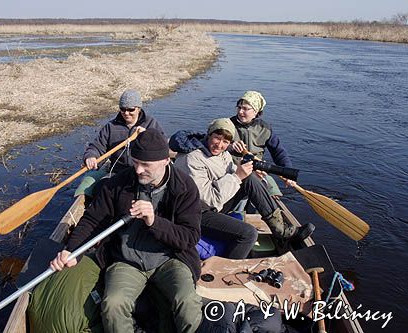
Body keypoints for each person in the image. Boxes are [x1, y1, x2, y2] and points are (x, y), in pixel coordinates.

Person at [51, 128, 203, 333]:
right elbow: (91, 220)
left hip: (170, 259)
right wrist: (71, 250)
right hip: (126, 261)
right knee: (113, 305)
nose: (138, 170)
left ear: (166, 161)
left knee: (188, 303)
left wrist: (154, 221)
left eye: (146, 165)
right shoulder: (117, 184)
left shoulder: (185, 187)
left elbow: (189, 237)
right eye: (135, 161)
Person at [172, 118, 314, 254]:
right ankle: (226, 265)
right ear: (209, 135)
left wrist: (244, 172)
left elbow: (229, 174)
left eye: (225, 141)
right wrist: (237, 176)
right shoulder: (192, 158)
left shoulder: (223, 153)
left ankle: (281, 230)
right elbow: (208, 199)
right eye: (217, 138)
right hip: (196, 212)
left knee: (250, 178)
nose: (220, 145)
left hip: (214, 204)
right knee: (249, 234)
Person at [74, 89, 164, 197]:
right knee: (101, 189)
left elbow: (162, 147)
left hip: (142, 173)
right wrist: (91, 156)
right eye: (122, 109)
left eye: (131, 109)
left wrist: (148, 136)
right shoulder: (111, 127)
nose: (126, 113)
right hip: (118, 172)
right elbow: (98, 146)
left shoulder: (151, 124)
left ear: (139, 109)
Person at [229, 90, 294, 191]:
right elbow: (210, 143)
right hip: (233, 170)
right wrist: (230, 146)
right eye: (239, 107)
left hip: (257, 170)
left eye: (245, 109)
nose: (240, 111)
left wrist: (287, 172)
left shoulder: (265, 128)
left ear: (256, 112)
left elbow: (278, 152)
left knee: (273, 190)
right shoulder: (227, 125)